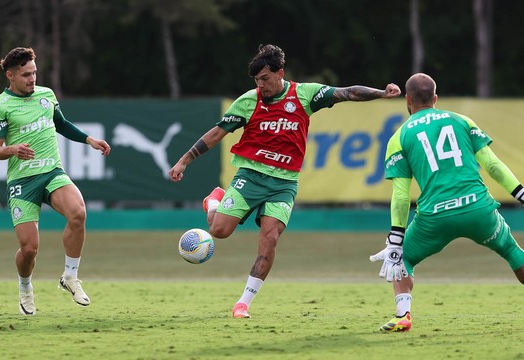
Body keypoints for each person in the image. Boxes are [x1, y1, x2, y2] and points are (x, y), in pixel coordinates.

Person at [169, 44, 401, 318]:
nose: (261, 85)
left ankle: (243, 303)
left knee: (270, 239)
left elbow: (347, 92)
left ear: (280, 73)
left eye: (265, 79)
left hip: (284, 184)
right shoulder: (248, 101)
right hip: (251, 176)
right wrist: (184, 160)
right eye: (257, 80)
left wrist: (382, 93)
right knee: (219, 231)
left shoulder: (305, 95)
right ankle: (214, 201)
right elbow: (217, 133)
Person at [370, 72, 524, 331]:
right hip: (477, 209)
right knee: (512, 251)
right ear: (435, 98)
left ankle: (403, 315)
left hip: (435, 217)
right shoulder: (462, 121)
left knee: (402, 259)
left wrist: (395, 239)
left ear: (407, 99)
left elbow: (400, 195)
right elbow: (492, 164)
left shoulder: (398, 138)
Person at [0, 47, 111, 315]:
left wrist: (89, 139)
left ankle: (70, 276)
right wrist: (13, 149)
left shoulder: (46, 95)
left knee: (78, 213)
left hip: (52, 172)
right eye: (25, 75)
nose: (32, 79)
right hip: (22, 181)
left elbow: (61, 123)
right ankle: (25, 287)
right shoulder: (0, 106)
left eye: (34, 73)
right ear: (10, 76)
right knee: (30, 249)